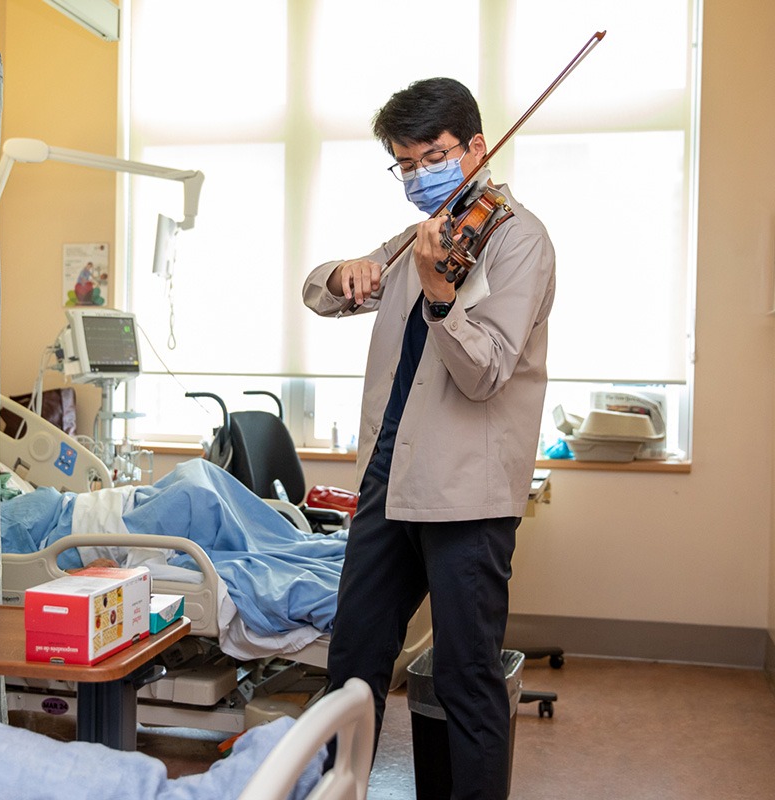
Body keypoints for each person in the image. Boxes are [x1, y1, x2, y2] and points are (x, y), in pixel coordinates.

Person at [302, 77, 555, 799]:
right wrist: (341, 273)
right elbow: (320, 294)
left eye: (433, 156)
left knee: (466, 677)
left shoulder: (519, 242)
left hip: (467, 496)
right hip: (389, 480)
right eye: (405, 163)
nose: (419, 175)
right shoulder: (424, 234)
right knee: (351, 664)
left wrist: (442, 298)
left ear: (476, 147)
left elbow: (486, 373)